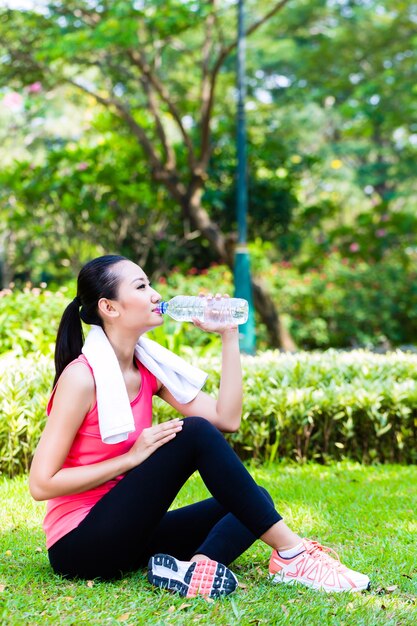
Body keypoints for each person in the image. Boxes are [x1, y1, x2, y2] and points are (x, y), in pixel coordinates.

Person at [29, 255, 370, 597]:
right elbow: (41, 484)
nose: (155, 294)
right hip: (81, 545)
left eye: (150, 284)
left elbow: (226, 419)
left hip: (130, 532)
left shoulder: (147, 369)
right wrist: (130, 459)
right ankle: (294, 555)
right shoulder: (82, 377)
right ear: (109, 307)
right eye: (141, 286)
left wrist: (228, 336)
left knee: (253, 503)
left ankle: (197, 569)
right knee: (193, 432)